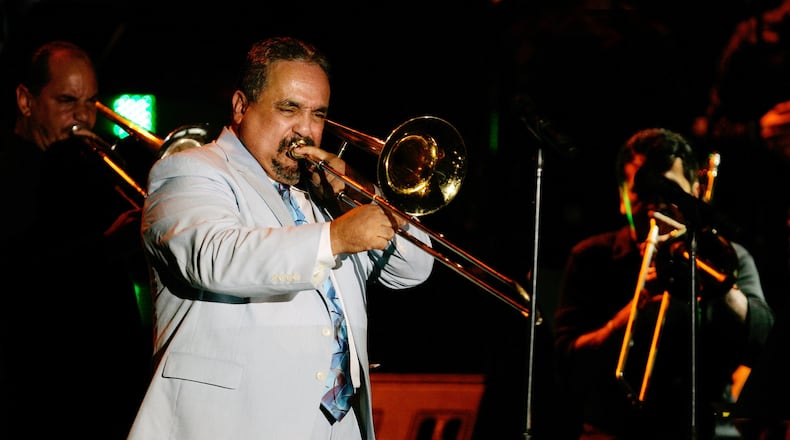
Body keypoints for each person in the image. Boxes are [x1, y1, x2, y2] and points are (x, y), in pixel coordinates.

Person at [126, 36, 434, 440]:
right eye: (289, 108)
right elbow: (215, 259)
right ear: (241, 106)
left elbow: (413, 268)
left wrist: (353, 192)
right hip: (232, 424)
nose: (304, 130)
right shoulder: (192, 170)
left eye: (318, 114)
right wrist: (335, 237)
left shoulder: (322, 195)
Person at [553, 128, 775, 440]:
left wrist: (717, 286)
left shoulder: (730, 258)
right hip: (611, 431)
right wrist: (633, 313)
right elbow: (566, 365)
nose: (656, 205)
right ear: (622, 198)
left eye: (669, 191)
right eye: (642, 192)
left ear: (695, 191)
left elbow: (767, 348)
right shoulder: (590, 257)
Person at [0, 40, 151, 438]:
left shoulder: (90, 164)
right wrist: (108, 247)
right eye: (67, 100)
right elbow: (19, 274)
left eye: (92, 102)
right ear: (25, 100)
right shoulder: (10, 169)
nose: (83, 116)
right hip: (44, 381)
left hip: (111, 373)